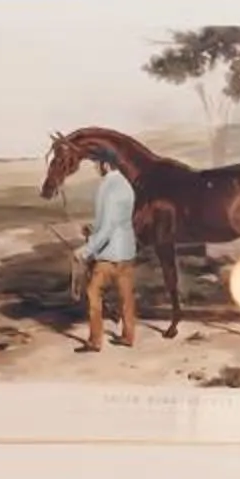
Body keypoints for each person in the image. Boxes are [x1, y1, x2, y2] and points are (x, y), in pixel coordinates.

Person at [73, 145, 139, 355]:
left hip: (109, 255)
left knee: (93, 293)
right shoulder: (126, 185)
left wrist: (85, 250)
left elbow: (109, 227)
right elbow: (118, 221)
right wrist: (93, 230)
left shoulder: (108, 187)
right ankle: (128, 336)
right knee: (126, 296)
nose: (95, 168)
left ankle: (95, 341)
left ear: (106, 165)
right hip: (127, 251)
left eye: (96, 164)